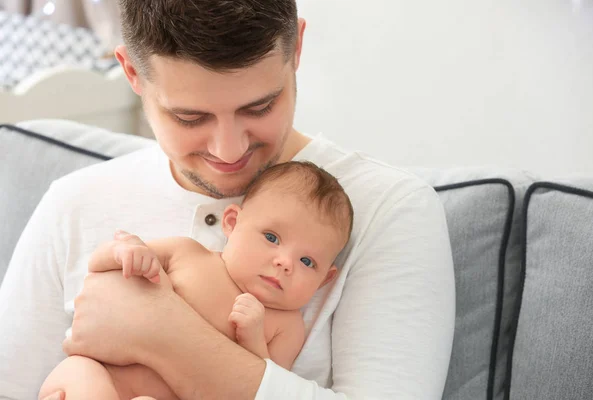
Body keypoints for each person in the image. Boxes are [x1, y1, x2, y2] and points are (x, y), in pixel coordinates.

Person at [0, 1, 456, 399]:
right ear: (132, 73)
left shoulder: (388, 210)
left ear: (295, 48)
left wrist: (161, 334)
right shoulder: (75, 201)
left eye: (259, 108)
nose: (228, 150)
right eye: (189, 117)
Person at [38, 161, 354, 399]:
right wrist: (126, 251)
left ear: (325, 280)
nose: (285, 263)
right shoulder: (186, 253)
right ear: (232, 223)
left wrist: (254, 338)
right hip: (93, 373)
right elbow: (98, 268)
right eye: (271, 237)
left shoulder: (285, 326)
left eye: (306, 261)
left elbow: (262, 387)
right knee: (87, 382)